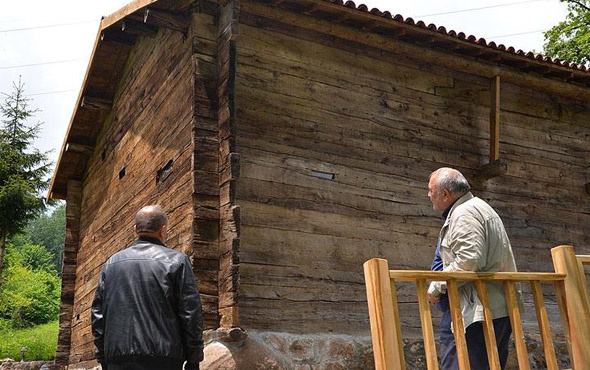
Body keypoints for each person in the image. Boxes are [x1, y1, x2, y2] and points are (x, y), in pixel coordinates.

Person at [91, 205, 204, 370]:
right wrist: (194, 359)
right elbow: (190, 313)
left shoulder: (111, 264)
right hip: (164, 358)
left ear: (135, 229)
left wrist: (103, 356)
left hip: (118, 358)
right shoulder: (177, 261)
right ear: (163, 230)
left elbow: (97, 315)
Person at [426, 168, 517, 370]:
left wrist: (436, 287)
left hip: (475, 312)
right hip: (490, 307)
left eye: (431, 190)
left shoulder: (464, 213)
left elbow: (469, 261)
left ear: (445, 194)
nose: (428, 195)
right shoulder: (479, 208)